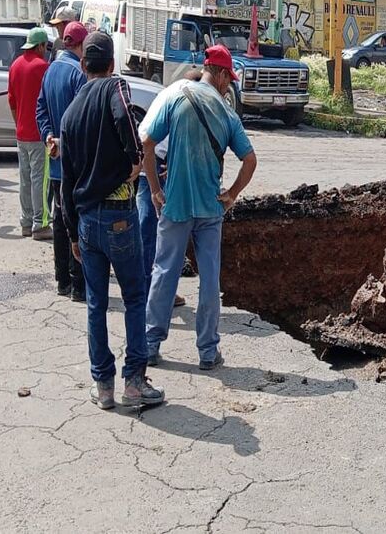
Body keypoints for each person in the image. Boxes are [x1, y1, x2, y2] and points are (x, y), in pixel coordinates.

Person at [60, 31, 162, 410]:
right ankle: (134, 382)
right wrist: (135, 158)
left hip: (86, 222)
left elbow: (66, 182)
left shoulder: (71, 113)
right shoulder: (114, 88)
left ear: (84, 64)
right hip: (119, 217)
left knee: (96, 304)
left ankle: (103, 387)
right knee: (134, 298)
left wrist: (72, 231)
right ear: (111, 64)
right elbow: (124, 116)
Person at [142, 45, 257, 371]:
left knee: (164, 271)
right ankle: (208, 352)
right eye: (228, 80)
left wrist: (154, 189)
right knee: (209, 279)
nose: (228, 86)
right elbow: (250, 160)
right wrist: (232, 193)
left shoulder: (177, 96)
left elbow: (148, 143)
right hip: (210, 208)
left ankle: (151, 345)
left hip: (175, 204)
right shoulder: (226, 113)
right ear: (219, 74)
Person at [135, 70, 205, 310]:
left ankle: (157, 290)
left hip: (151, 161)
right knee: (160, 232)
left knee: (155, 230)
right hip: (156, 163)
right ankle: (154, 292)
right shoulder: (185, 100)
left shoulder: (170, 93)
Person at [36, 20, 88, 300]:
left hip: (56, 157)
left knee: (60, 218)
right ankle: (78, 285)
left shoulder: (52, 69)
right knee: (77, 220)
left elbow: (40, 108)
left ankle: (62, 281)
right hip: (76, 162)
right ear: (80, 46)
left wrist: (48, 138)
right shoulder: (78, 74)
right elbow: (81, 119)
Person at [8, 28, 51, 238]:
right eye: (45, 47)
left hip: (21, 133)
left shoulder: (15, 65)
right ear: (41, 46)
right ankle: (40, 224)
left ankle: (26, 221)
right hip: (38, 134)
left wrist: (19, 124)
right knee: (40, 180)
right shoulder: (43, 67)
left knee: (25, 178)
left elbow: (12, 101)